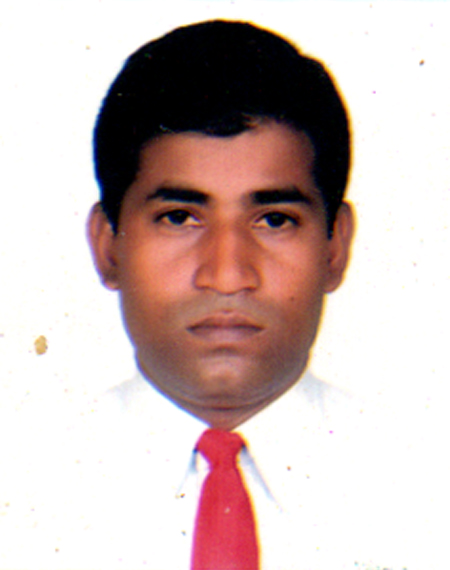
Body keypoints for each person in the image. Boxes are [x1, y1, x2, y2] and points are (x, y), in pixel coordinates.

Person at [2, 19, 421, 570]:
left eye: (275, 220)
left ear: (335, 247)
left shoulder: (423, 486)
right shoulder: (20, 490)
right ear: (107, 246)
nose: (227, 276)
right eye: (179, 217)